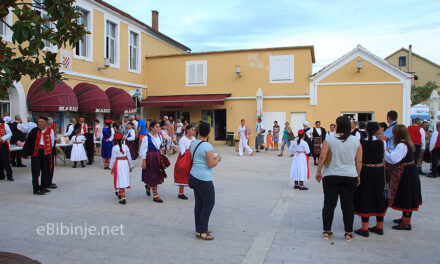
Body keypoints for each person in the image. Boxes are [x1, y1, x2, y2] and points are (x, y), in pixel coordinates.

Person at [315, 116, 362, 241]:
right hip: (349, 175)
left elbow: (322, 157)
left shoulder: (329, 139)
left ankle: (327, 230)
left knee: (329, 204)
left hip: (331, 175)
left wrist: (318, 171)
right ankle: (348, 232)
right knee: (347, 205)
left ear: (337, 125)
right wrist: (358, 174)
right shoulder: (355, 140)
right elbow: (359, 160)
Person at [385, 124, 422, 230]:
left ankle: (406, 222)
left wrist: (385, 153)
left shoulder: (402, 145)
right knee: (408, 193)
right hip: (410, 170)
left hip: (406, 172)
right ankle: (404, 218)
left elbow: (393, 159)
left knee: (407, 194)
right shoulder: (407, 143)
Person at [189, 122, 222, 240]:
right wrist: (218, 158)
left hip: (193, 175)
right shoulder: (207, 146)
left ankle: (199, 228)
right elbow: (211, 163)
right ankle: (202, 231)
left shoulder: (193, 143)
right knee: (209, 203)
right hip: (203, 178)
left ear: (198, 131)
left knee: (199, 203)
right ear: (208, 132)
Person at [353, 122, 387, 237]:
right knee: (378, 195)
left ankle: (365, 227)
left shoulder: (361, 142)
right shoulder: (382, 142)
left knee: (365, 195)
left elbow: (358, 158)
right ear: (378, 131)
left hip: (366, 170)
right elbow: (385, 156)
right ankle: (380, 226)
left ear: (366, 131)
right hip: (378, 171)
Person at [22, 117, 55, 195]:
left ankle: (43, 186)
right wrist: (26, 153)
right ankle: (36, 189)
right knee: (35, 171)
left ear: (46, 123)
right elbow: (29, 142)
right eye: (38, 122)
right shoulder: (34, 131)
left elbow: (52, 142)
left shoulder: (50, 131)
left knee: (45, 170)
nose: (39, 123)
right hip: (36, 153)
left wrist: (47, 149)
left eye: (41, 122)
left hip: (45, 152)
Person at [140, 120, 165, 203]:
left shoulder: (160, 136)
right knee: (152, 175)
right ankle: (156, 195)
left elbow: (160, 147)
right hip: (150, 157)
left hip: (157, 156)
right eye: (156, 127)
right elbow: (143, 150)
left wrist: (162, 149)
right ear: (151, 128)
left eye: (159, 127)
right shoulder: (146, 137)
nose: (158, 128)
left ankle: (148, 186)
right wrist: (144, 161)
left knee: (156, 174)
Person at [110, 132, 134, 205]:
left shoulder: (114, 148)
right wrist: (130, 166)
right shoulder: (126, 147)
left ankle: (123, 197)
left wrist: (111, 167)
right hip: (125, 163)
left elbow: (113, 158)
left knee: (120, 179)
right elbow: (129, 157)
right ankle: (120, 194)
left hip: (118, 163)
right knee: (123, 178)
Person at [174, 124, 196, 200]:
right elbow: (182, 151)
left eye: (194, 130)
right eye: (192, 130)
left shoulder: (194, 138)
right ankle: (181, 193)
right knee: (182, 173)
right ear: (187, 130)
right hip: (185, 158)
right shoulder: (183, 139)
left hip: (193, 158)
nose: (194, 131)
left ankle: (197, 191)